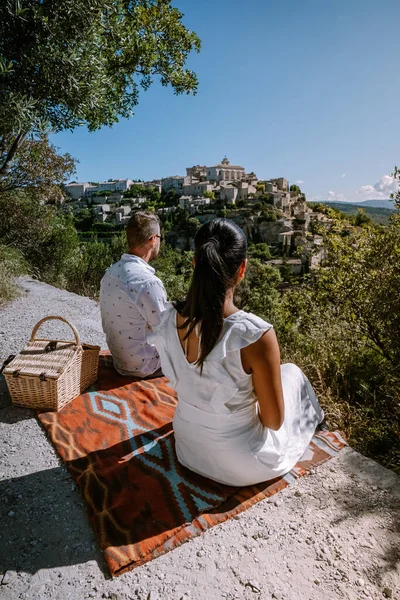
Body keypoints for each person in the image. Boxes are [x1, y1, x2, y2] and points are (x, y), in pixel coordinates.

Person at [149, 218, 325, 486]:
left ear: (195, 264)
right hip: (241, 463)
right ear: (241, 269)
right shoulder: (255, 334)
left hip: (187, 449)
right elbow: (274, 422)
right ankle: (319, 421)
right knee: (293, 373)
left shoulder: (168, 318)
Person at [100, 211, 167, 378]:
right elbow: (167, 332)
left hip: (120, 361)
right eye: (160, 238)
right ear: (153, 240)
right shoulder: (148, 282)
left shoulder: (111, 272)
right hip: (145, 366)